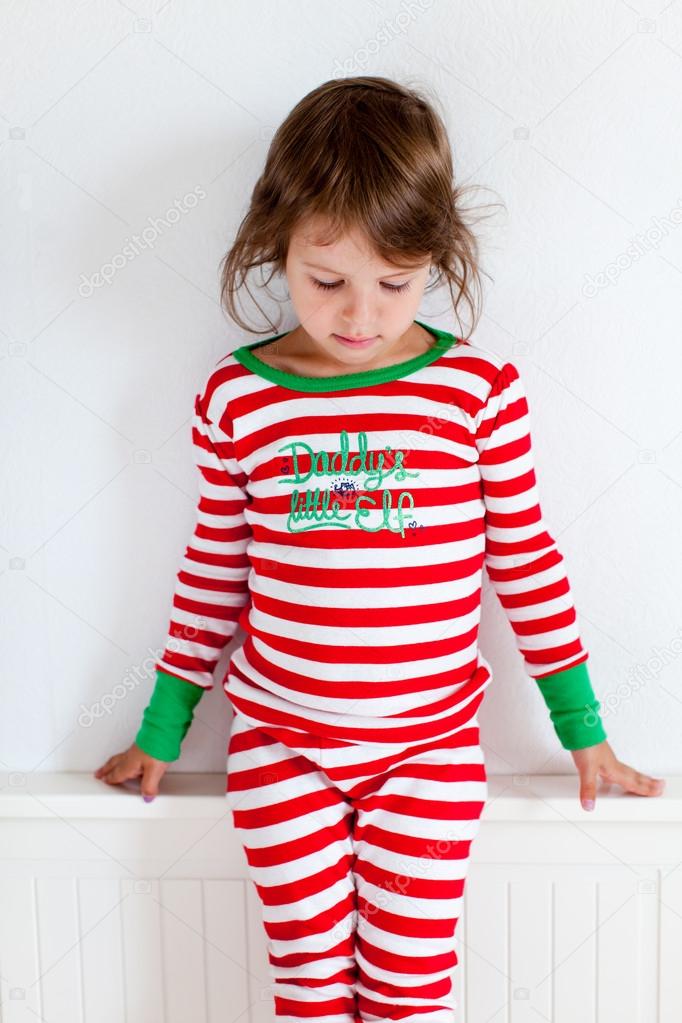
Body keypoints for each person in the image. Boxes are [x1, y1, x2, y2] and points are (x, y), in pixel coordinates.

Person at [94, 76, 665, 1021]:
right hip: (282, 746)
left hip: (431, 747)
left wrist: (582, 727)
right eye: (328, 282)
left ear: (435, 260)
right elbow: (211, 573)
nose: (360, 316)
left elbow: (525, 560)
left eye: (393, 285)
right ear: (275, 245)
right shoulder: (240, 402)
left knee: (408, 990)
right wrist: (163, 725)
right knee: (311, 993)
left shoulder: (475, 394)